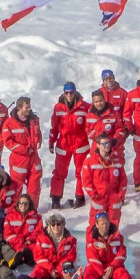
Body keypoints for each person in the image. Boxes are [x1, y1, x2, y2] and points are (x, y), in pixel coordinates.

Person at [83, 213, 140, 279]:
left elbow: (121, 253)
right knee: (89, 272)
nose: (105, 226)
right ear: (97, 225)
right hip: (97, 267)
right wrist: (102, 273)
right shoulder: (92, 239)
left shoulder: (117, 237)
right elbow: (92, 258)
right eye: (102, 224)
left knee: (121, 272)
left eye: (106, 223)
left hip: (113, 266)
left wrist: (112, 266)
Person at [48, 83, 90, 211]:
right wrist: (51, 141)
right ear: (63, 93)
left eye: (71, 92)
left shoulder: (85, 106)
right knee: (59, 173)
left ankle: (80, 197)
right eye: (66, 92)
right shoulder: (58, 107)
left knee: (80, 172)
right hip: (63, 143)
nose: (69, 95)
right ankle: (55, 198)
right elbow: (54, 127)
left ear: (75, 92)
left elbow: (90, 125)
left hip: (80, 142)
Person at [83, 134, 128, 227]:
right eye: (104, 143)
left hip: (114, 199)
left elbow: (123, 180)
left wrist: (119, 195)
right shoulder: (90, 162)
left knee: (113, 227)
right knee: (95, 226)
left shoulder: (117, 160)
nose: (107, 145)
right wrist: (94, 196)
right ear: (98, 145)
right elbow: (87, 182)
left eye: (108, 143)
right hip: (99, 198)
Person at [29, 214, 78, 279]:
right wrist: (51, 269)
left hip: (62, 267)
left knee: (70, 273)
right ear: (49, 226)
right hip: (46, 267)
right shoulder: (41, 238)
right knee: (37, 272)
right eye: (53, 225)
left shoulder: (70, 240)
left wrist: (57, 270)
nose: (56, 227)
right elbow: (39, 257)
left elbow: (70, 257)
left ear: (62, 225)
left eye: (58, 224)